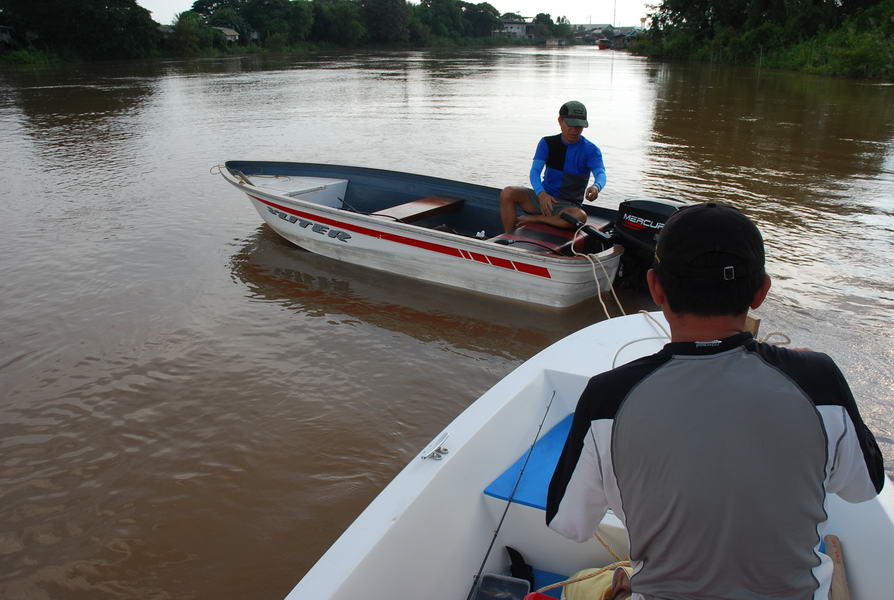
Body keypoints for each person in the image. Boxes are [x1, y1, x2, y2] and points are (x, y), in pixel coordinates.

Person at [546, 202, 885, 599]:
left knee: (583, 588)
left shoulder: (608, 396)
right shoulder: (818, 379)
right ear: (761, 292)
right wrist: (812, 371)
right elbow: (864, 485)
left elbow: (570, 524)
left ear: (656, 288)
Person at [500, 100, 606, 233]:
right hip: (543, 198)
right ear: (560, 121)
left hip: (568, 206)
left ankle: (538, 219)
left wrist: (596, 187)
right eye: (570, 125)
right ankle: (508, 236)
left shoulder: (591, 150)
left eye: (578, 127)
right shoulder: (547, 143)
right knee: (508, 192)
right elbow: (535, 172)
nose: (574, 131)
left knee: (580, 216)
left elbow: (600, 173)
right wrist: (541, 193)